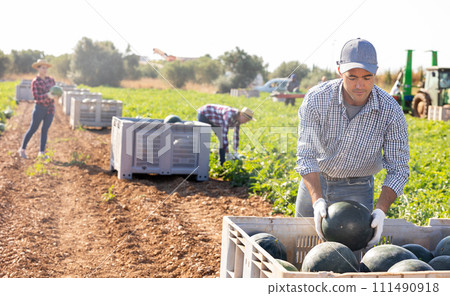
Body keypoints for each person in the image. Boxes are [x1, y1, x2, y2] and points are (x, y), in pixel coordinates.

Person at [294, 38, 409, 248]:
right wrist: (317, 200)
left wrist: (381, 210)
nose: (359, 85)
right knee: (305, 248)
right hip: (316, 180)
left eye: (367, 77)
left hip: (358, 188)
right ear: (339, 71)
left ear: (376, 73)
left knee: (351, 257)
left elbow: (399, 168)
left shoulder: (390, 111)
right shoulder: (317, 99)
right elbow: (306, 155)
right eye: (352, 77)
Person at [18, 59, 56, 159]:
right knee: (33, 129)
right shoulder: (35, 82)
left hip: (50, 109)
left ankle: (41, 153)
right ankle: (22, 149)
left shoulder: (51, 80)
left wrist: (56, 95)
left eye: (46, 67)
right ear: (38, 68)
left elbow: (55, 92)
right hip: (40, 108)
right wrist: (47, 95)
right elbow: (37, 98)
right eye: (43, 67)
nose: (45, 69)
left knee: (45, 130)